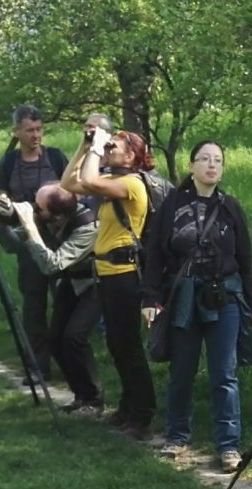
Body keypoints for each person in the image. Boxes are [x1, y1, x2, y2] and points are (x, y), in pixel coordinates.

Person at [140, 141, 252, 472]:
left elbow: (245, 260)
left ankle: (228, 447)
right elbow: (154, 256)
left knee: (225, 374)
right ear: (191, 165)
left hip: (226, 298)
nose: (212, 165)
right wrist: (150, 298)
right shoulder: (172, 207)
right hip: (184, 299)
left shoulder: (230, 207)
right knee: (182, 371)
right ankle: (177, 437)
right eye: (205, 159)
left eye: (218, 160)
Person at [61, 125, 158, 437]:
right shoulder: (113, 181)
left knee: (128, 347)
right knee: (117, 345)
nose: (107, 149)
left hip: (125, 276)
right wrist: (84, 144)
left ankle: (142, 414)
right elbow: (68, 183)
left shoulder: (131, 184)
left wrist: (95, 148)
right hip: (106, 275)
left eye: (113, 145)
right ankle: (128, 407)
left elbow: (87, 180)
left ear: (132, 155)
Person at [5, 183, 103, 412]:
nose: (33, 209)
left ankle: (94, 399)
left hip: (95, 283)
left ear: (56, 214)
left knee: (74, 338)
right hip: (71, 282)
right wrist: (2, 219)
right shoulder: (46, 218)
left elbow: (52, 265)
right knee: (56, 339)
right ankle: (81, 396)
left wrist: (29, 225)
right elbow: (12, 244)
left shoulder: (87, 226)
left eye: (38, 207)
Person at [0, 104, 70, 381]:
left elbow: (72, 193)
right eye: (29, 130)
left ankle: (70, 361)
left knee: (65, 302)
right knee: (34, 306)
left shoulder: (56, 158)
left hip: (60, 242)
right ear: (17, 132)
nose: (36, 135)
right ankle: (38, 365)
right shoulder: (9, 163)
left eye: (39, 129)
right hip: (27, 244)